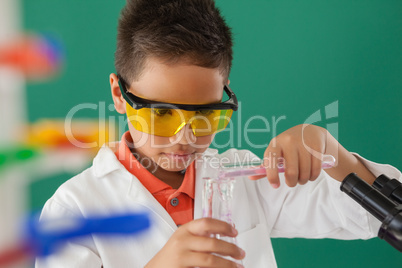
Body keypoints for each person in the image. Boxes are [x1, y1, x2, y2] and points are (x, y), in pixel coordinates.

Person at [36, 0, 401, 267]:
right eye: (161, 113)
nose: (184, 138)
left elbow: (381, 219)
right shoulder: (75, 209)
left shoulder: (248, 177)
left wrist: (333, 153)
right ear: (119, 94)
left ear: (224, 92)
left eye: (206, 115)